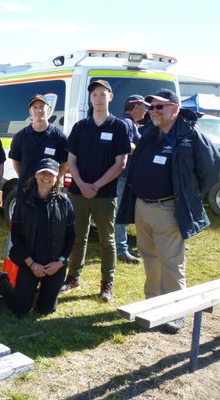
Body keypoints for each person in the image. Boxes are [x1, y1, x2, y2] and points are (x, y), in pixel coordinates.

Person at [118, 88, 220, 333]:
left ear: (174, 109)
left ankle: (175, 313)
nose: (153, 111)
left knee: (171, 262)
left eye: (159, 107)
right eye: (151, 107)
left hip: (169, 208)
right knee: (150, 258)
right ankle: (152, 305)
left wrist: (188, 194)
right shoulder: (149, 133)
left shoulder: (189, 134)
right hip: (143, 207)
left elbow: (212, 169)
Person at [62, 80, 130, 302]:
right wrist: (81, 184)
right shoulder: (81, 127)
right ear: (90, 99)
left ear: (110, 97)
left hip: (105, 195)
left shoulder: (118, 127)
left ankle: (106, 284)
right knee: (77, 238)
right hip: (78, 193)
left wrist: (97, 185)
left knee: (107, 241)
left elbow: (121, 163)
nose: (98, 99)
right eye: (94, 95)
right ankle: (72, 278)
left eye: (102, 94)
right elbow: (71, 160)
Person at [0, 159, 75, 317]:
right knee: (20, 310)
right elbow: (16, 237)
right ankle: (5, 283)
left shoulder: (65, 203)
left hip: (54, 265)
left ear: (57, 178)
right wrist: (32, 264)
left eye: (51, 174)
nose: (46, 177)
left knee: (46, 310)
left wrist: (59, 262)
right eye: (43, 173)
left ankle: (38, 294)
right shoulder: (23, 202)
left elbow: (71, 237)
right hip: (30, 263)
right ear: (36, 175)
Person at [9, 94, 68, 191]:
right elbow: (16, 162)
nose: (38, 110)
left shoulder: (59, 137)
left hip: (48, 190)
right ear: (30, 111)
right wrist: (25, 180)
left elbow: (65, 163)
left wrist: (54, 180)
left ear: (48, 109)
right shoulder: (20, 136)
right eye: (35, 107)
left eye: (42, 107)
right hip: (26, 190)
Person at [115, 95, 147, 264]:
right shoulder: (127, 123)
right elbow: (126, 146)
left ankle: (123, 247)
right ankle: (121, 250)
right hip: (122, 176)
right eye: (144, 106)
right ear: (135, 107)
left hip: (126, 176)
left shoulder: (130, 123)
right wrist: (143, 148)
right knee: (120, 213)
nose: (146, 110)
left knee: (124, 211)